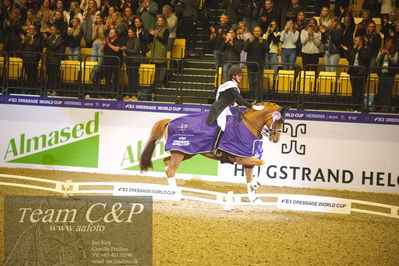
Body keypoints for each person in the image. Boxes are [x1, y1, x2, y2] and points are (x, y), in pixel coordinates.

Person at [206, 65, 265, 157]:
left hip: (226, 108)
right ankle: (214, 148)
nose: (241, 77)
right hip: (220, 108)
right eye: (239, 75)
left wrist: (234, 104)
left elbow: (228, 97)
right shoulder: (231, 85)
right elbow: (240, 99)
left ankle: (228, 147)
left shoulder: (232, 85)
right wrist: (252, 107)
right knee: (222, 126)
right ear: (233, 76)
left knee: (233, 125)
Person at [243, 26, 269, 100]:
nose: (257, 33)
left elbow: (267, 50)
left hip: (259, 65)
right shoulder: (249, 40)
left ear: (261, 32)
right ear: (253, 32)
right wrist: (249, 42)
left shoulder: (264, 41)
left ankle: (256, 99)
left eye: (258, 31)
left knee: (257, 82)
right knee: (251, 81)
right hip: (250, 64)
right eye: (255, 31)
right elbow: (244, 49)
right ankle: (251, 98)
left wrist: (262, 44)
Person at [376, 38, 398, 112]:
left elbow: (394, 61)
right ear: (385, 44)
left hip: (390, 74)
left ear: (392, 44)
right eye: (387, 43)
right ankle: (381, 106)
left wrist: (388, 55)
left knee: (388, 91)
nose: (388, 44)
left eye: (390, 43)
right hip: (382, 73)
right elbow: (377, 60)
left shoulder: (395, 52)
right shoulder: (381, 50)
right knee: (382, 90)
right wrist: (382, 54)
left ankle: (387, 106)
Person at [121, 28, 140, 100]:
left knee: (134, 78)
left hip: (134, 61)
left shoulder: (136, 40)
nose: (129, 34)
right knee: (129, 78)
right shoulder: (128, 39)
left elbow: (135, 50)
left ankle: (134, 94)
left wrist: (126, 49)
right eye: (128, 32)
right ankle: (129, 94)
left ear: (134, 33)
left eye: (130, 32)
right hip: (128, 61)